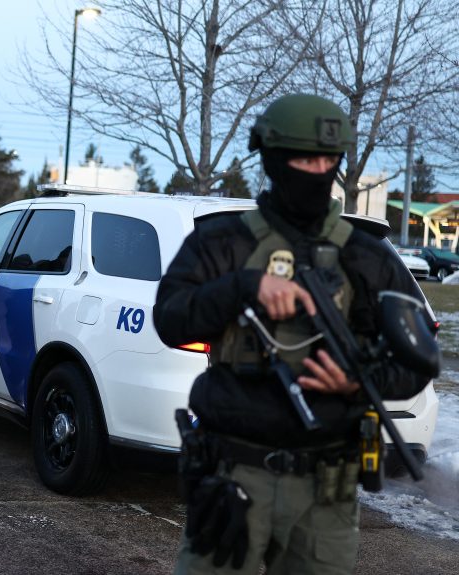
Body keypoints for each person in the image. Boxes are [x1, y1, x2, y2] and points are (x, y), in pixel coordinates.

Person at [153, 94, 433, 574]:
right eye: (305, 159)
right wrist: (244, 287)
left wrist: (359, 380)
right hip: (233, 474)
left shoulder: (366, 257)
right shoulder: (223, 242)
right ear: (272, 158)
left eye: (329, 160)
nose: (319, 170)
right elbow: (171, 319)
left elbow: (419, 361)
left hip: (328, 487)